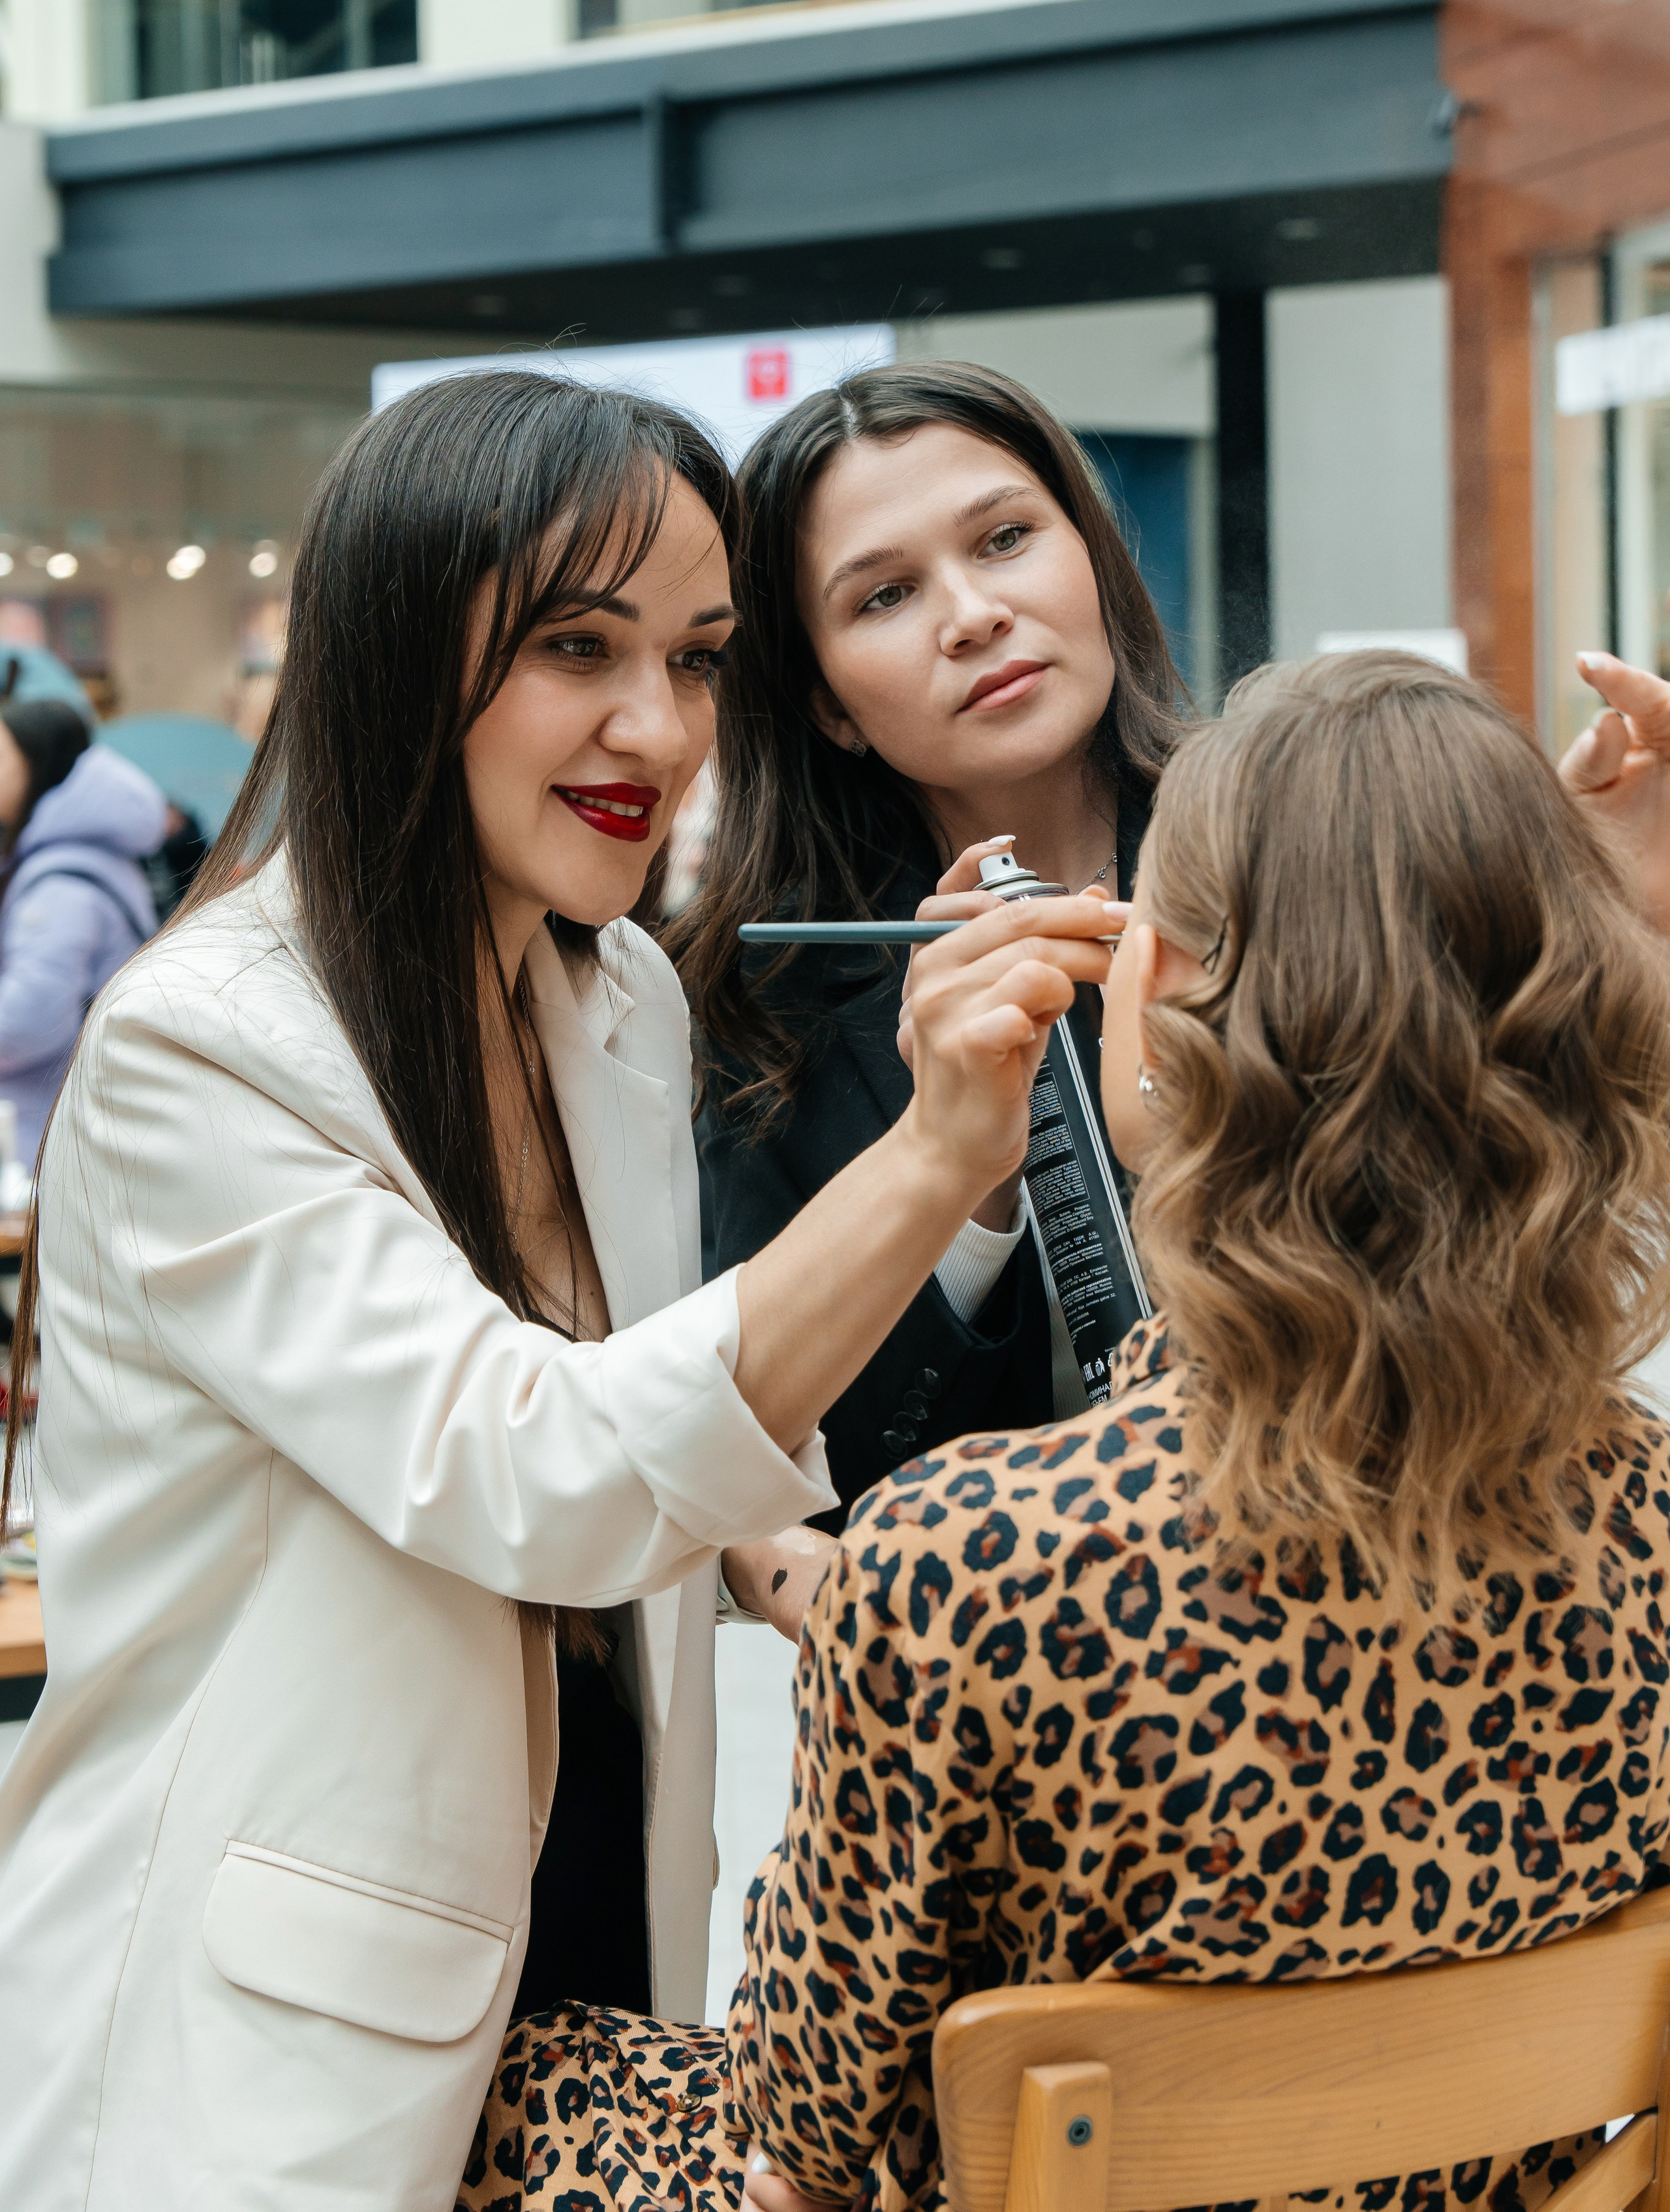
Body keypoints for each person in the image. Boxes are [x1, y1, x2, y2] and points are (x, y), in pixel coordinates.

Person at [0, 373, 1116, 2212]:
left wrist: (795, 1560)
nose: (654, 725)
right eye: (577, 646)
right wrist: (932, 1161)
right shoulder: (201, 1042)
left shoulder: (614, 998)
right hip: (266, 2043)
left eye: (695, 657)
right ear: (389, 651)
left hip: (590, 1946)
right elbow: (540, 1470)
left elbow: (668, 1443)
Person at [466, 649, 1670, 2212]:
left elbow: (807, 2119)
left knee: (522, 2069)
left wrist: (892, 1626)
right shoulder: (1642, 1508)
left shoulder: (969, 1559)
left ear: (1146, 997)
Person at [673, 363, 1185, 1526]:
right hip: (979, 1662)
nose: (972, 616)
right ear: (826, 703)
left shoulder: (1294, 856)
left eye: (1005, 538)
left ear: (1095, 557)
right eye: (884, 598)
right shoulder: (757, 1001)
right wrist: (963, 1175)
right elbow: (813, 1471)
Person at [0, 698, 165, 1161]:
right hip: (78, 1120)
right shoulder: (90, 854)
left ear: (39, 763)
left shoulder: (62, 883)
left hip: (45, 1134)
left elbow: (30, 1019)